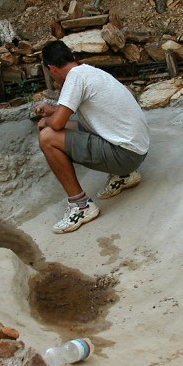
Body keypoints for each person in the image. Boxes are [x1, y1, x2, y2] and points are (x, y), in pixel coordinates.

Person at [35, 40, 150, 233]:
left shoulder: (74, 78)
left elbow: (56, 124)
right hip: (137, 151)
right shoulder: (88, 71)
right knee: (74, 126)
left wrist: (46, 120)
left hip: (124, 155)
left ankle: (81, 206)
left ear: (51, 68)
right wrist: (53, 111)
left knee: (47, 137)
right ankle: (124, 176)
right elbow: (75, 120)